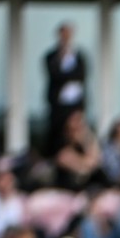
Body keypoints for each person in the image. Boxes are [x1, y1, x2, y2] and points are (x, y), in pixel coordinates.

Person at [43, 22, 87, 158]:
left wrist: (65, 75)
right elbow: (54, 75)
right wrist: (71, 75)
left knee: (77, 135)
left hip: (76, 104)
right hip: (58, 105)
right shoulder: (52, 56)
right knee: (58, 135)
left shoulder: (79, 56)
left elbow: (81, 75)